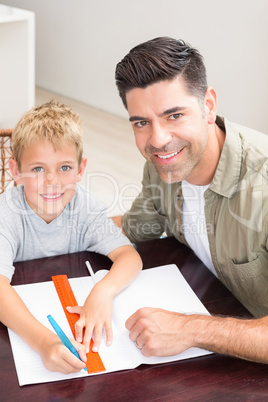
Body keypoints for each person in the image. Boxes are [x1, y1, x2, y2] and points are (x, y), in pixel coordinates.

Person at [112, 37, 268, 363]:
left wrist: (188, 331)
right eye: (142, 122)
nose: (158, 140)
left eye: (174, 115)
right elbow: (134, 226)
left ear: (208, 106)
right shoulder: (163, 165)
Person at [0, 100, 142, 374]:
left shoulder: (85, 207)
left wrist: (103, 291)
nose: (52, 181)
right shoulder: (6, 214)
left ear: (80, 169)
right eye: (38, 169)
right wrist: (43, 342)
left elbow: (129, 257)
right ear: (16, 171)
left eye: (64, 167)